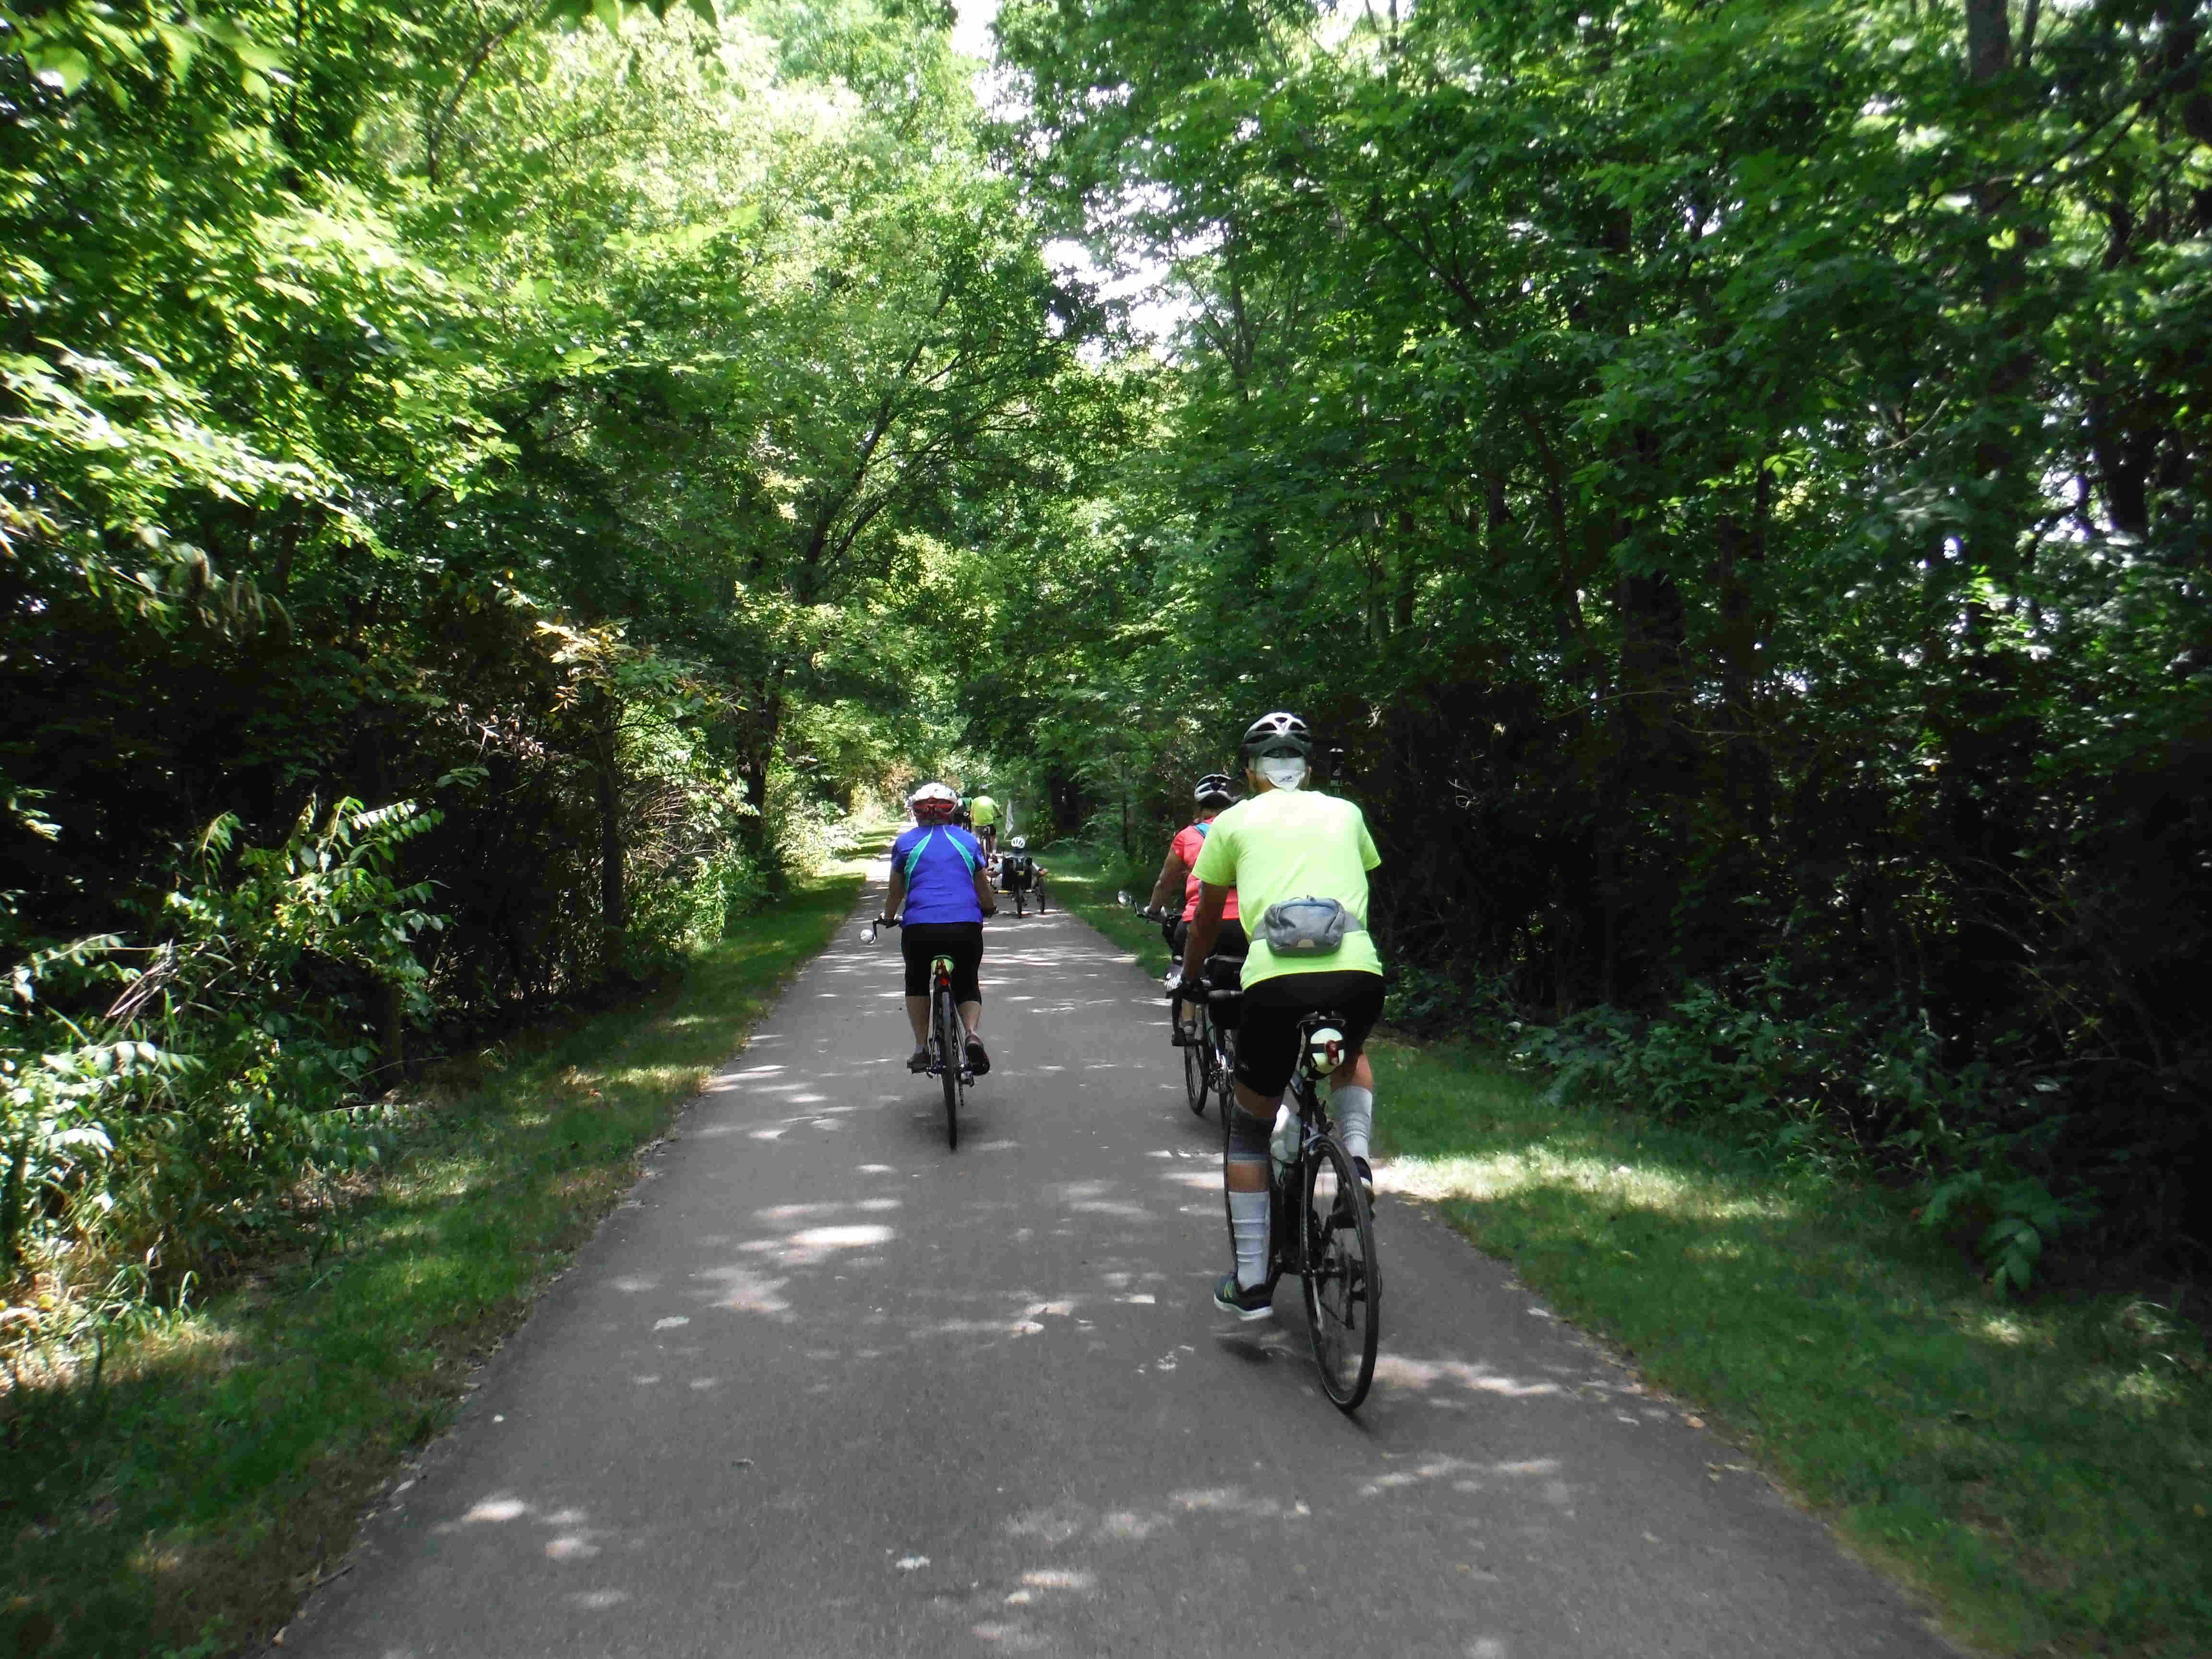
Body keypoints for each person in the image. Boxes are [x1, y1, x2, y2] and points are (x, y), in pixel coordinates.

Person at [1179, 712, 1383, 1321]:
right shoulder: (1346, 813)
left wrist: (1192, 978)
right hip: (1356, 973)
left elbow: (1208, 918)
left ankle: (1250, 1284)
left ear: (1251, 771)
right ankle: (1358, 1161)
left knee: (1248, 1127)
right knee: (1350, 1058)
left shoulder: (1232, 822)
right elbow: (1368, 881)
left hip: (1273, 981)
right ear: (1308, 768)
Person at [884, 782, 997, 1076]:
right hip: (965, 926)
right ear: (953, 812)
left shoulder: (906, 843)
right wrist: (989, 908)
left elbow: (896, 891)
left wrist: (887, 916)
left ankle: (921, 1049)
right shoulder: (967, 841)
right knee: (968, 981)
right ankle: (971, 1034)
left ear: (916, 813)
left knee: (917, 981)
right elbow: (981, 886)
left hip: (920, 929)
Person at [1142, 773, 1245, 1047]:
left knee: (1185, 964)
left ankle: (1187, 1026)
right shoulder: (1248, 832)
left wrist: (1154, 909)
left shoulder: (1187, 836)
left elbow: (1166, 881)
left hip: (1199, 921)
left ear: (1199, 808)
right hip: (1246, 923)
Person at [969, 791, 1001, 859]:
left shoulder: (975, 801)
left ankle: (978, 850)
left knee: (977, 836)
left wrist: (972, 819)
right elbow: (998, 810)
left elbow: (971, 814)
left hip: (978, 824)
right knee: (994, 837)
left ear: (980, 793)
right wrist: (1000, 815)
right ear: (987, 792)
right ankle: (994, 853)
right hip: (989, 823)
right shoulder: (990, 800)